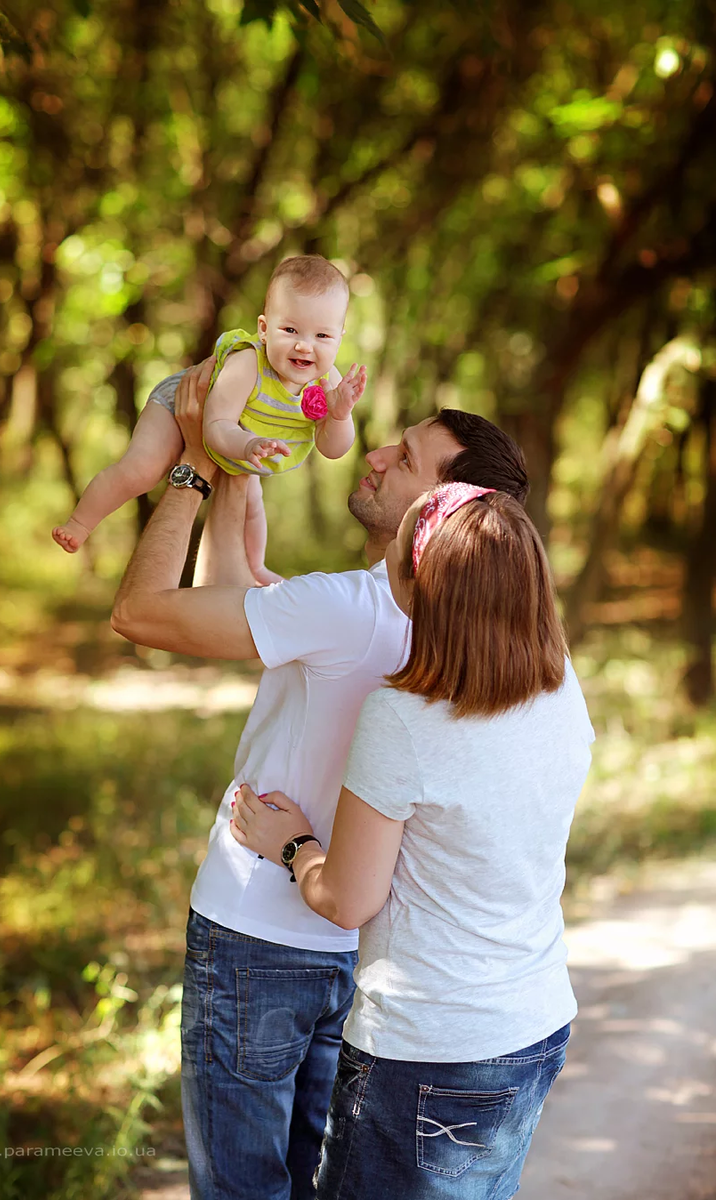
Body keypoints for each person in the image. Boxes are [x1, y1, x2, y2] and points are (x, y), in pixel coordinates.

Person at [110, 361, 530, 1200]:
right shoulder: (490, 640)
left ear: (437, 508)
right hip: (369, 949)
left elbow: (141, 613)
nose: (373, 453)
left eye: (404, 458)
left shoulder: (343, 607)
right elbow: (233, 603)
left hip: (258, 934)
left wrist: (192, 464)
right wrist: (242, 476)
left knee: (242, 1189)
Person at [231, 481, 595, 1200]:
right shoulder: (560, 688)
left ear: (412, 590)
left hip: (431, 1051)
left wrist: (296, 843)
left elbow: (346, 899)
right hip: (537, 1020)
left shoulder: (402, 719)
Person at [53, 255, 366, 584]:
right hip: (185, 408)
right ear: (263, 329)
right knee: (143, 470)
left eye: (322, 336)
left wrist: (340, 415)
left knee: (253, 505)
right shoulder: (247, 365)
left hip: (245, 440)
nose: (304, 345)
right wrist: (249, 444)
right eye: (290, 330)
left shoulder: (329, 384)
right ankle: (80, 523)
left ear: (340, 338)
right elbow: (217, 427)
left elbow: (332, 448)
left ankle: (255, 565)